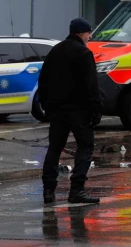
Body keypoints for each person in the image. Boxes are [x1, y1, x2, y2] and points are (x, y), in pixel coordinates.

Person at [39, 18, 103, 204]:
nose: (90, 36)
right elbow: (91, 85)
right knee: (85, 146)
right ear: (80, 33)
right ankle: (76, 190)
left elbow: (43, 81)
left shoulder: (55, 51)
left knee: (54, 148)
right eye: (89, 32)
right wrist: (96, 111)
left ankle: (48, 191)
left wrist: (46, 106)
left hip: (57, 111)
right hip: (79, 111)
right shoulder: (84, 53)